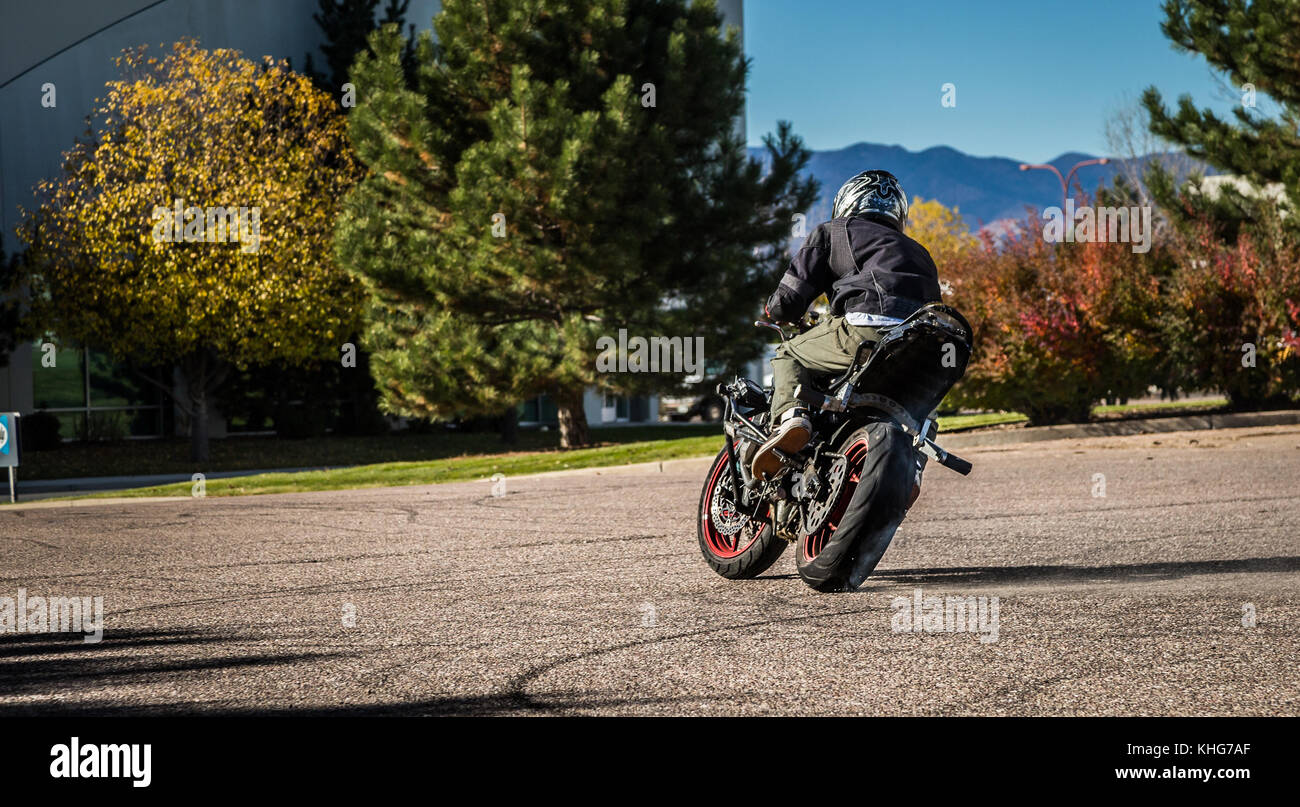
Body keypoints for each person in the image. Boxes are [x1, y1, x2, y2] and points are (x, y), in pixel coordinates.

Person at [750, 170, 942, 480]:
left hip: (865, 328)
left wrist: (777, 309)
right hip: (916, 347)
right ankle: (914, 463)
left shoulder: (832, 231)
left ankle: (793, 418)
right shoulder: (920, 252)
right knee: (922, 406)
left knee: (788, 354)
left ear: (848, 201)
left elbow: (789, 300)